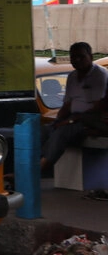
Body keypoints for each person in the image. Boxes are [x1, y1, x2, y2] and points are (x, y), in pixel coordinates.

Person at [40, 41, 108, 172]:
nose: (77, 60)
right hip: (73, 118)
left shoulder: (100, 75)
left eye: (81, 57)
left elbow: (98, 107)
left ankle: (42, 166)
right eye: (73, 57)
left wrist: (69, 121)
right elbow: (67, 104)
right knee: (44, 130)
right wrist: (58, 121)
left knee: (62, 132)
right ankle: (32, 163)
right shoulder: (72, 76)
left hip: (91, 120)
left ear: (90, 57)